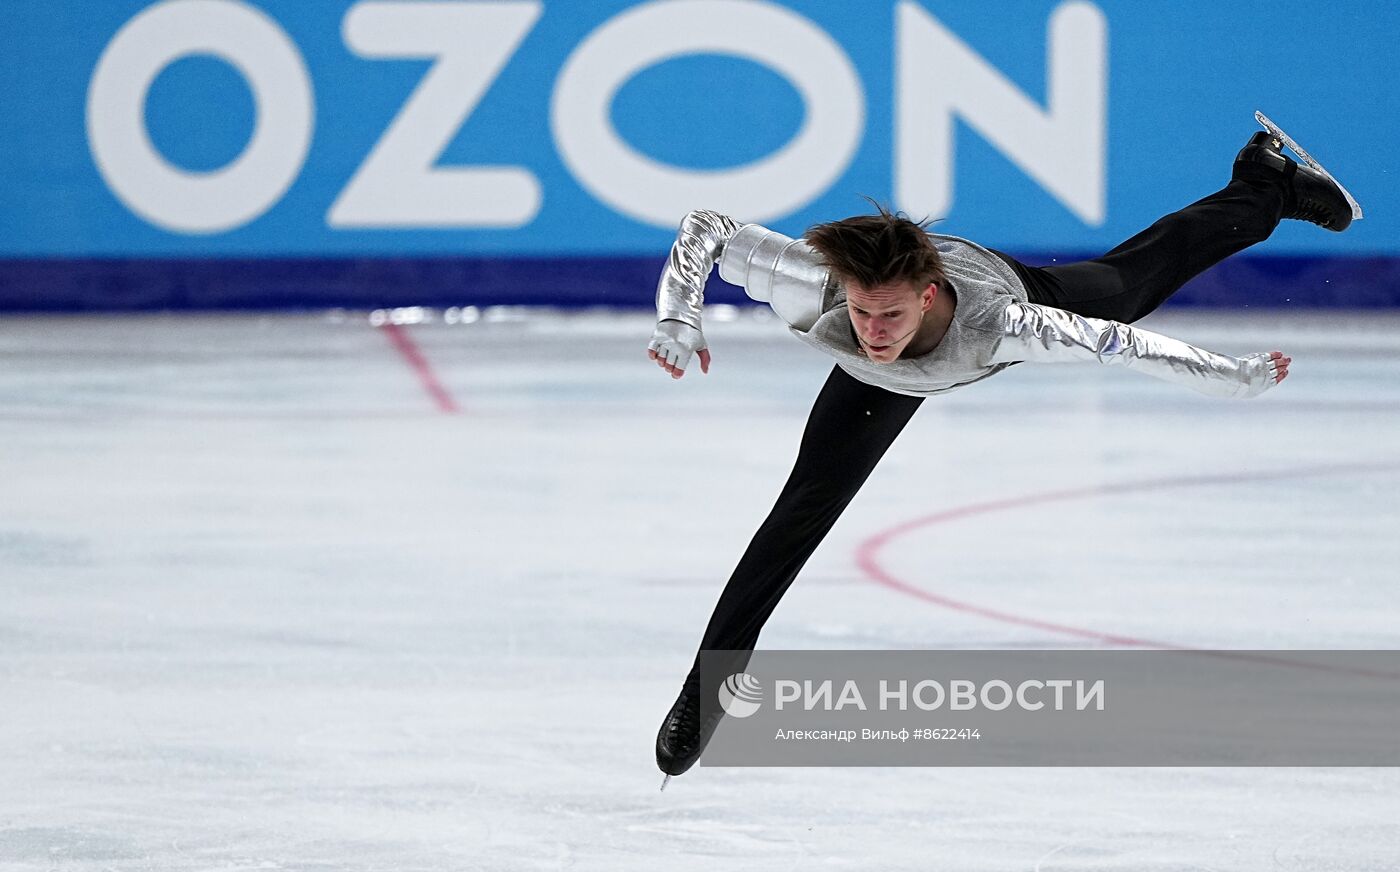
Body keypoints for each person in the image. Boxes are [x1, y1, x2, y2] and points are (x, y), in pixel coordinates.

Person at [646, 115, 1360, 779]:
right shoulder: (818, 289)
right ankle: (703, 690)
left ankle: (1264, 184)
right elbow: (708, 226)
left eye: (889, 314)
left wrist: (1225, 378)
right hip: (879, 381)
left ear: (926, 298)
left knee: (1130, 287)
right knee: (799, 513)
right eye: (862, 310)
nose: (872, 329)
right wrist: (680, 317)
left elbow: (1120, 343)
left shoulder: (1007, 326)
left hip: (1005, 288)